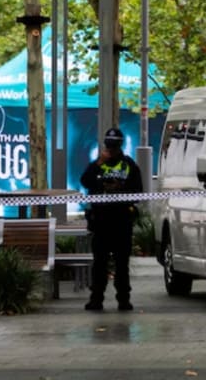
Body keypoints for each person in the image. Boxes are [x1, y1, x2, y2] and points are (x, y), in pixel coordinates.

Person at [80, 127, 143, 311]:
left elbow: (137, 192)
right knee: (99, 263)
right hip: (100, 221)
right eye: (109, 146)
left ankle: (123, 299)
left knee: (122, 264)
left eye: (114, 146)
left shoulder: (129, 165)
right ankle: (96, 299)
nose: (112, 150)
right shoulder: (97, 164)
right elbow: (85, 181)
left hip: (121, 221)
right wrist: (98, 164)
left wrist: (119, 190)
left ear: (120, 146)